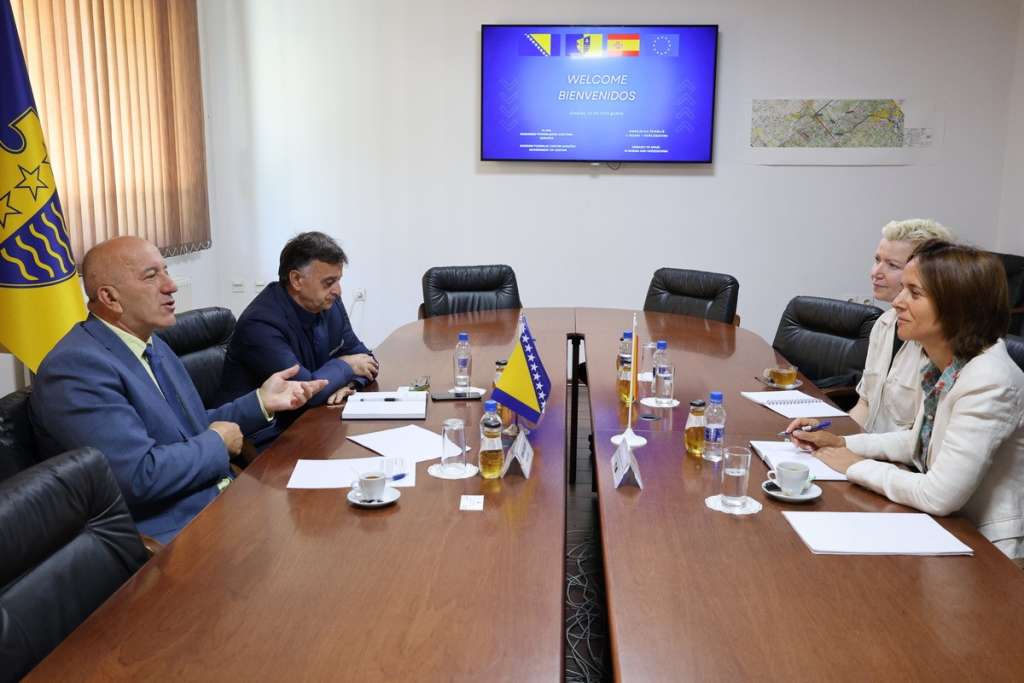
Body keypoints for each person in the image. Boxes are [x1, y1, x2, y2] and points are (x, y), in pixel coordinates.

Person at [30, 236, 327, 543]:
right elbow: (139, 476)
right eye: (151, 276)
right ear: (109, 297)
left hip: (225, 500)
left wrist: (261, 401)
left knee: (322, 520)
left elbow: (188, 427)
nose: (171, 286)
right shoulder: (77, 368)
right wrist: (217, 443)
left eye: (166, 271)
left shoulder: (151, 343)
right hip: (177, 534)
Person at [789, 241, 1024, 562]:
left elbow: (939, 494)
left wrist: (855, 465)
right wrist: (843, 442)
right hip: (947, 529)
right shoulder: (945, 364)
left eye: (914, 293)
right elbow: (918, 442)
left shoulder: (989, 380)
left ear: (957, 307)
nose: (898, 302)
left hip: (987, 549)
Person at [219, 231, 378, 442]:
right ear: (296, 280)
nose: (338, 291)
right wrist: (347, 366)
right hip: (267, 437)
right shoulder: (260, 324)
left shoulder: (329, 305)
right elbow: (305, 391)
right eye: (328, 282)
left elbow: (366, 359)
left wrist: (351, 383)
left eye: (338, 280)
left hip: (312, 421)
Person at [850, 218, 955, 433]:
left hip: (896, 454)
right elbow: (865, 403)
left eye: (892, 265)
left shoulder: (939, 343)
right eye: (877, 260)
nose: (876, 272)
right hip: (869, 448)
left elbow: (920, 441)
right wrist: (842, 440)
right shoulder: (883, 323)